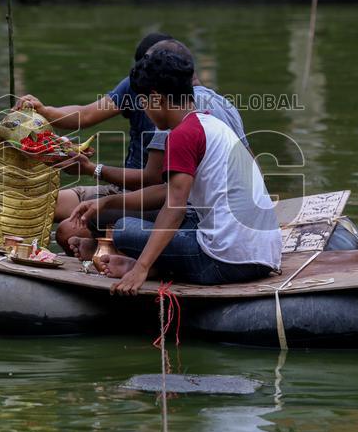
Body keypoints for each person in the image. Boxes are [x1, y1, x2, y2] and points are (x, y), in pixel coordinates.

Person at [71, 49, 281, 295]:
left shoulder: (182, 136)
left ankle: (148, 266)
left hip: (225, 262)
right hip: (263, 256)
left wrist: (141, 267)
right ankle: (152, 265)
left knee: (124, 228)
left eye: (143, 103)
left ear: (156, 98)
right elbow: (167, 191)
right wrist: (107, 202)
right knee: (164, 221)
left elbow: (174, 208)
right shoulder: (208, 123)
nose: (145, 112)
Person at [56, 38, 250, 256]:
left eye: (145, 102)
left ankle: (114, 252)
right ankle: (111, 249)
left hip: (207, 229)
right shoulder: (223, 105)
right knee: (89, 213)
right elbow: (252, 170)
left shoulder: (179, 121)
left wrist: (141, 268)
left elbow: (162, 190)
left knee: (107, 227)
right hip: (234, 222)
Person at [14, 32, 171, 223]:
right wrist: (45, 111)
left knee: (68, 229)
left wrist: (91, 169)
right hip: (121, 189)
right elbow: (86, 114)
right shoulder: (135, 85)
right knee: (29, 208)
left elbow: (153, 181)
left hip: (154, 200)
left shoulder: (182, 113)